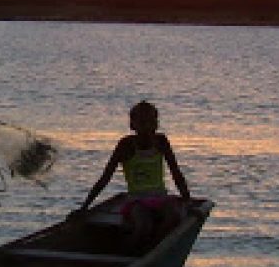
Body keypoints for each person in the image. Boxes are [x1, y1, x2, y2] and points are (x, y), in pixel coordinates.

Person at [75, 100, 192, 249]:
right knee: (143, 226)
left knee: (174, 217)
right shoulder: (126, 145)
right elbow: (105, 177)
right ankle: (130, 250)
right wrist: (85, 206)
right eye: (142, 122)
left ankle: (154, 248)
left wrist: (187, 200)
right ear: (133, 125)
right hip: (137, 200)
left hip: (160, 197)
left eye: (151, 122)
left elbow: (176, 173)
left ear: (156, 124)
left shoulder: (161, 141)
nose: (147, 127)